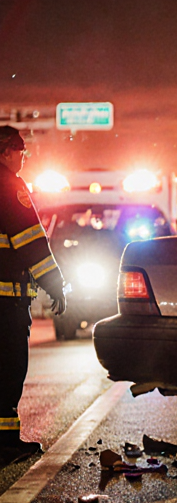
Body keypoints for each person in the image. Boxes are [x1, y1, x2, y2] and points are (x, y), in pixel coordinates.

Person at [0, 126, 68, 462]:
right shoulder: (10, 186)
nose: (23, 157)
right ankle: (5, 444)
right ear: (6, 152)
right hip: (6, 302)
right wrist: (55, 283)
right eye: (20, 151)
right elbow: (31, 242)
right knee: (9, 368)